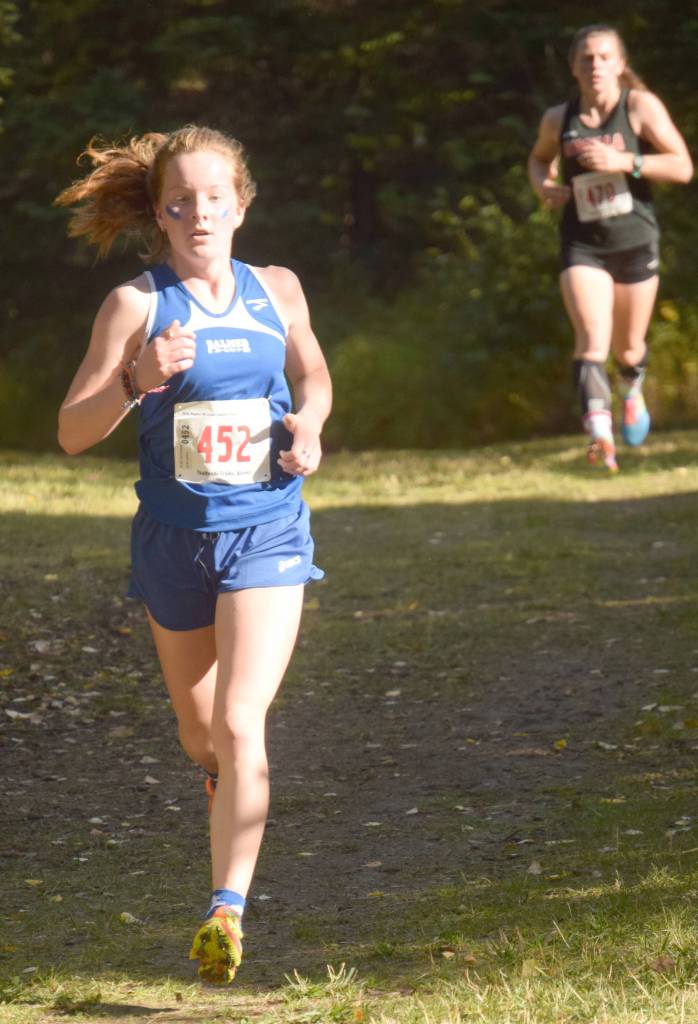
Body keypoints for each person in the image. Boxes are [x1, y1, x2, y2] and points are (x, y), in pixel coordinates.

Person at [56, 125, 332, 984]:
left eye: (216, 198)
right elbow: (70, 433)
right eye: (181, 202)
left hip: (267, 530)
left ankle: (226, 910)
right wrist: (137, 379)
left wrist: (310, 427)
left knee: (244, 723)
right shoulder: (136, 306)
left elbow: (314, 375)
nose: (200, 213)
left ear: (242, 204)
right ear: (160, 215)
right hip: (174, 543)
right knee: (201, 732)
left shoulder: (277, 289)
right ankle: (218, 786)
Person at [528, 24, 692, 471]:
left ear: (620, 65)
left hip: (636, 240)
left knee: (630, 347)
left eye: (604, 57)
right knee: (591, 339)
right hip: (583, 244)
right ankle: (600, 436)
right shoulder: (558, 119)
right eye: (586, 58)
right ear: (574, 68)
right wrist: (544, 185)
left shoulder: (639, 107)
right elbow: (540, 158)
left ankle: (632, 390)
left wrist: (627, 161)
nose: (595, 65)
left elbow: (682, 166)